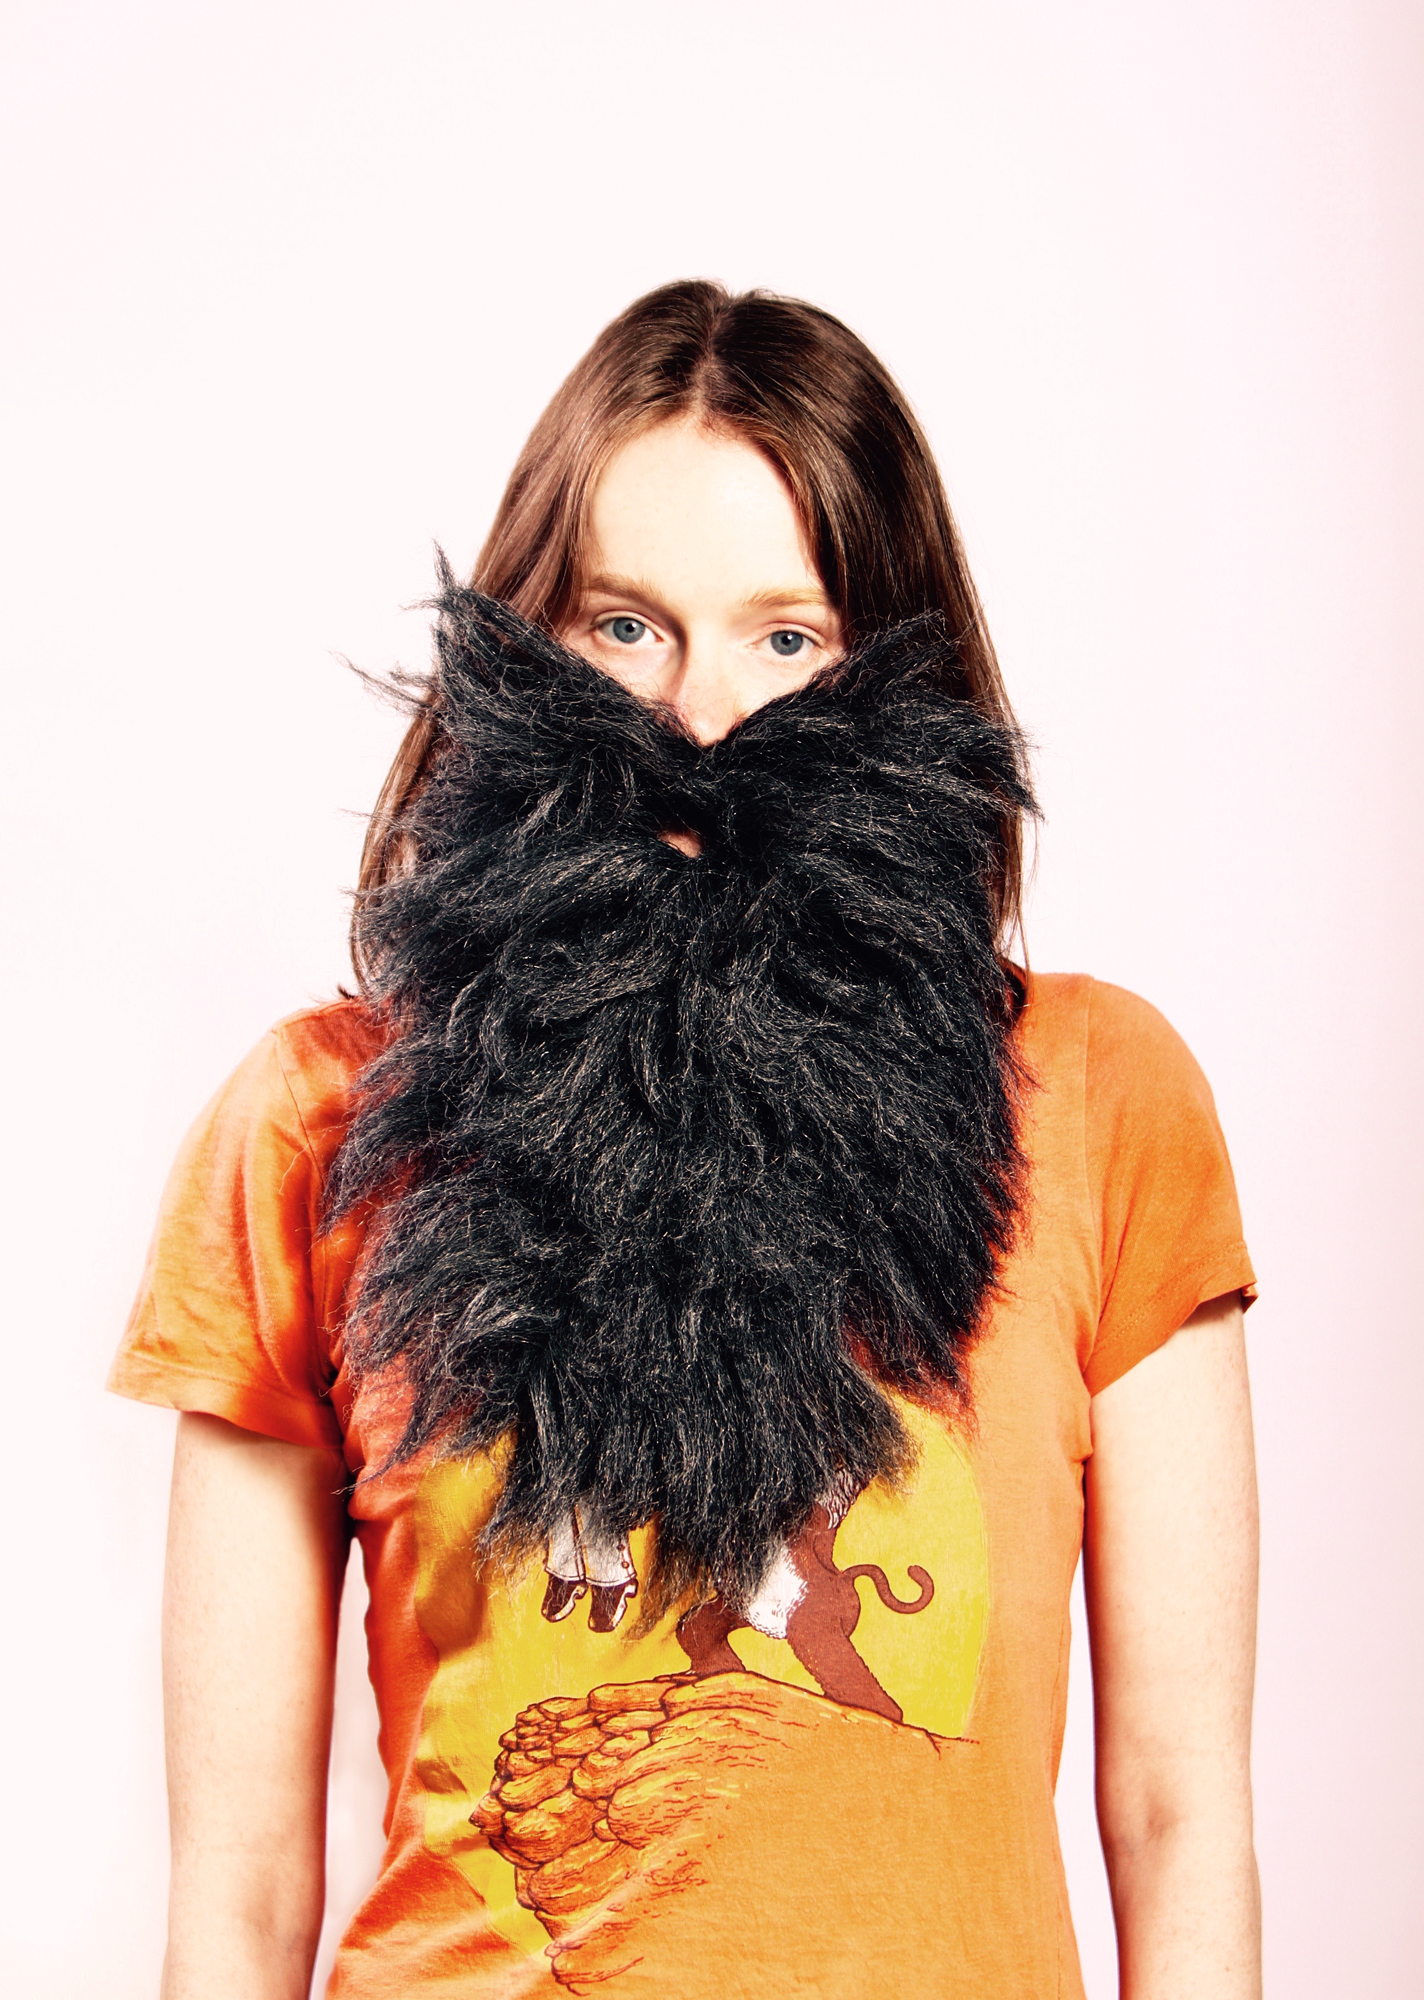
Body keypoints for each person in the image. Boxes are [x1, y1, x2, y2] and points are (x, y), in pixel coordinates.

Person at [112, 280, 1261, 2000]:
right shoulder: (315, 1121)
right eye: (625, 627)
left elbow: (1178, 1816)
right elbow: (242, 1883)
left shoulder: (1104, 1095)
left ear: (896, 668)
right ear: (528, 646)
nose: (703, 721)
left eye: (788, 639)